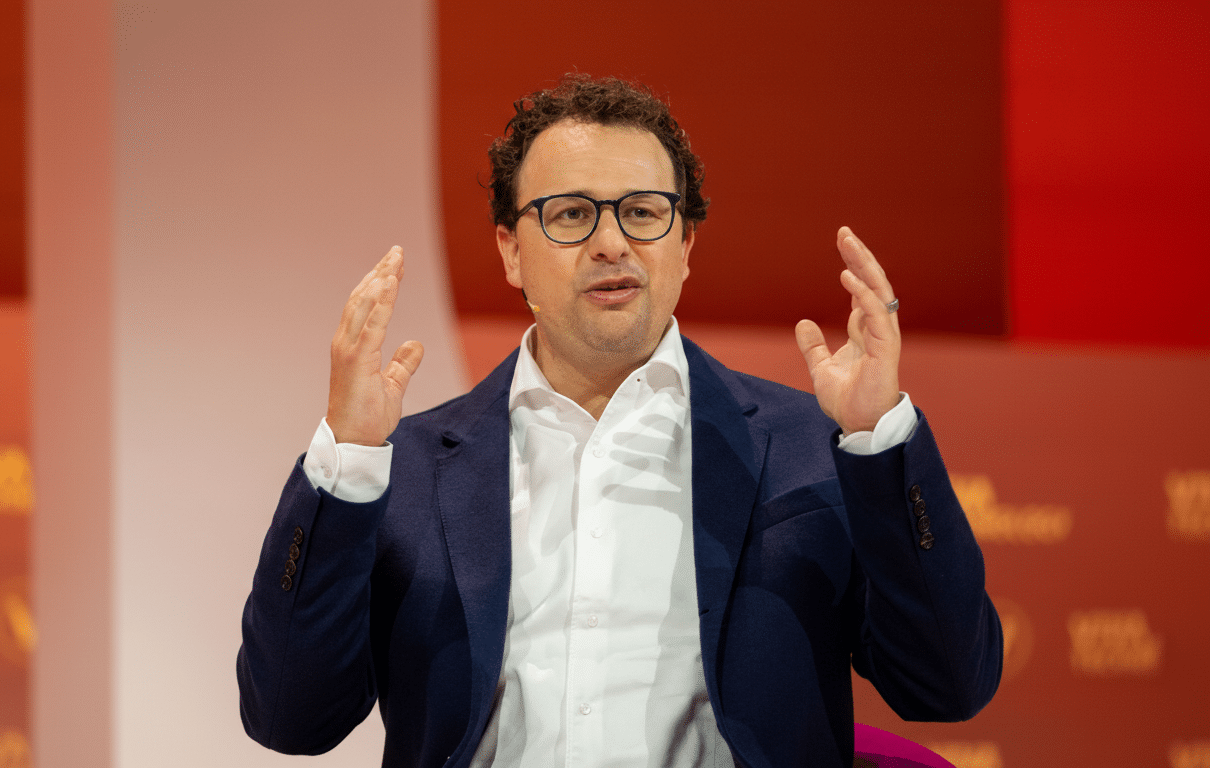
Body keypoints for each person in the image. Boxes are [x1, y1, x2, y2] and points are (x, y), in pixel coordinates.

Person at [237, 74, 1001, 767]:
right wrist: (347, 463)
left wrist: (878, 441)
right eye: (570, 214)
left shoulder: (810, 447)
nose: (611, 243)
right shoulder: (404, 466)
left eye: (642, 213)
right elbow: (290, 719)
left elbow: (946, 686)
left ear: (685, 244)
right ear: (510, 250)